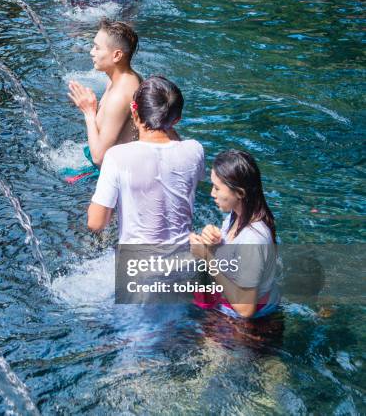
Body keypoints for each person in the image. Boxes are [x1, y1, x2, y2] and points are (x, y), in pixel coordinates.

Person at [87, 76, 205, 245]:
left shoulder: (117, 156)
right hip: (185, 264)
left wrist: (89, 116)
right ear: (177, 120)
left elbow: (96, 223)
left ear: (134, 113)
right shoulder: (195, 150)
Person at [190, 150, 280, 319]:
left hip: (250, 327)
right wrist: (214, 241)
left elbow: (246, 310)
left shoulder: (254, 239)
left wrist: (207, 257)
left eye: (217, 188)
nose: (212, 193)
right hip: (229, 309)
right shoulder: (237, 215)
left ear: (240, 193)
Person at [64, 19, 141, 183]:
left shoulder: (120, 95)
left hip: (116, 175)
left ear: (117, 55)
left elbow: (99, 158)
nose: (92, 52)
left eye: (97, 48)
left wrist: (89, 113)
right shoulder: (121, 79)